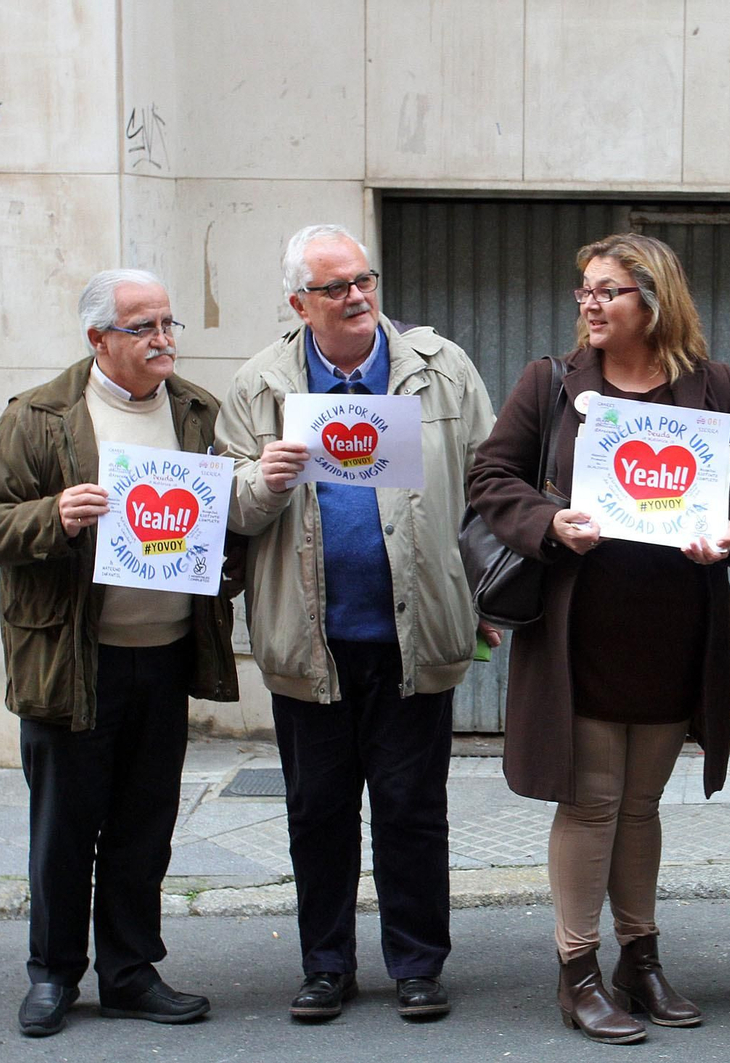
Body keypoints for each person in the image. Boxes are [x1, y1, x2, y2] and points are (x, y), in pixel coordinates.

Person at [466, 233, 730, 1045]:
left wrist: (726, 532)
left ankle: (641, 956)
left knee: (640, 802)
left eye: (608, 291)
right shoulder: (551, 384)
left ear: (654, 300)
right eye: (584, 293)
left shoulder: (713, 386)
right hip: (582, 631)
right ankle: (578, 968)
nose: (590, 305)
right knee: (592, 799)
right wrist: (548, 522)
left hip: (673, 630)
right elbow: (492, 475)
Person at [217, 224, 496, 1023]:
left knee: (413, 807)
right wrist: (262, 481)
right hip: (311, 642)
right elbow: (226, 509)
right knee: (318, 812)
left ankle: (416, 963)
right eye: (336, 287)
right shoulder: (260, 383)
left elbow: (491, 487)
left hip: (414, 633)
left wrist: (487, 595)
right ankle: (326, 966)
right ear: (298, 301)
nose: (358, 298)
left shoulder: (439, 371)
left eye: (365, 280)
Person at [0, 269, 240, 1036]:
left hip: (167, 653)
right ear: (99, 340)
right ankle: (52, 972)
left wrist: (224, 565)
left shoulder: (197, 412)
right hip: (73, 661)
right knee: (64, 828)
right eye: (144, 327)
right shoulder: (40, 415)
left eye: (168, 324)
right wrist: (54, 515)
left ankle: (128, 971)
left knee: (144, 825)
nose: (163, 340)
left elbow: (224, 528)